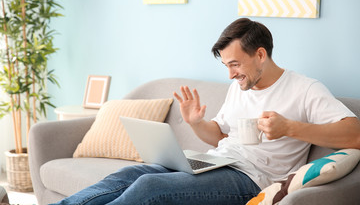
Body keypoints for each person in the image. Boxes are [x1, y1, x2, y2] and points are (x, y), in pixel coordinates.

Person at [53, 18, 360, 205]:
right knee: (129, 174)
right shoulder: (239, 87)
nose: (230, 75)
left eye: (235, 64)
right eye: (226, 66)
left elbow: (354, 134)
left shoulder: (304, 89)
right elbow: (219, 135)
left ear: (261, 54)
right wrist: (197, 123)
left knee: (150, 187)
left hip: (250, 179)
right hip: (215, 161)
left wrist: (290, 128)